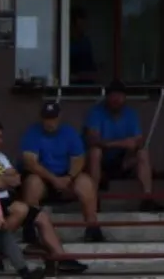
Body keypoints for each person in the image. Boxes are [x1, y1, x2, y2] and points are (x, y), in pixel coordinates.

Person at [0, 121, 87, 274]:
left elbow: (17, 179)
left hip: (5, 201)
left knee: (41, 217)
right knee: (21, 209)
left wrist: (0, 178)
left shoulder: (0, 156)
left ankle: (62, 259)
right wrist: (4, 179)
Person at [21, 100, 106, 243]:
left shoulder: (69, 132)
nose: (50, 122)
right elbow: (30, 162)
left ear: (59, 117)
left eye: (53, 118)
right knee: (32, 183)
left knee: (85, 182)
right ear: (42, 118)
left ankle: (92, 227)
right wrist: (54, 179)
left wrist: (69, 177)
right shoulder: (32, 133)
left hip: (67, 179)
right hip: (44, 180)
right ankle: (30, 229)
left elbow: (78, 159)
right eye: (47, 118)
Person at [85, 80, 164, 213]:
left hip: (122, 161)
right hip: (102, 162)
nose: (116, 99)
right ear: (107, 97)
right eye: (113, 95)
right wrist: (121, 143)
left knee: (142, 152)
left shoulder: (130, 114)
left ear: (125, 98)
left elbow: (139, 141)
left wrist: (130, 144)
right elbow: (93, 139)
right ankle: (93, 199)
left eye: (120, 96)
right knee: (95, 152)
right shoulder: (96, 112)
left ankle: (147, 199)